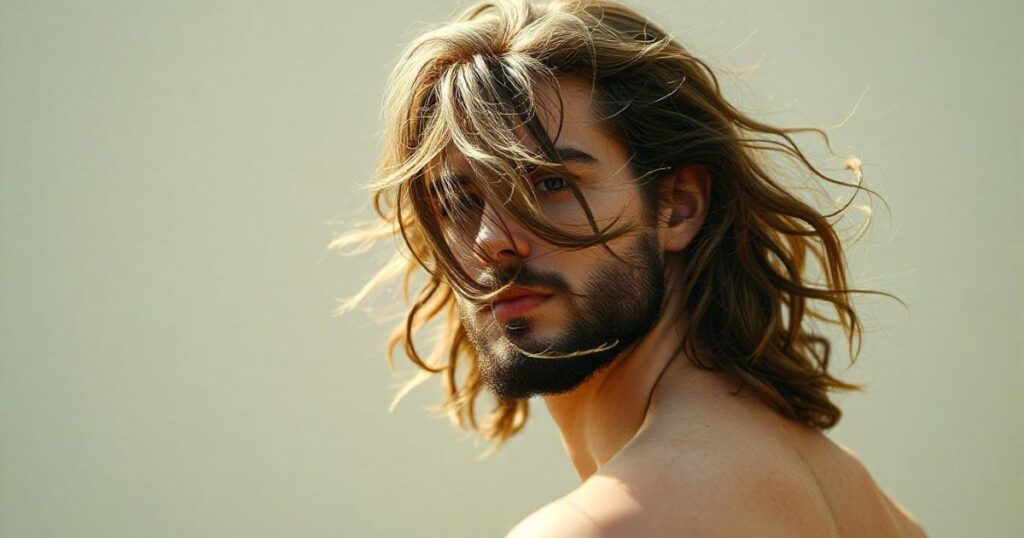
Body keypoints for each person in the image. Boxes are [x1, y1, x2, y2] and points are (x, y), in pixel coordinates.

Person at [335, 0, 926, 535]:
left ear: (678, 205)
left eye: (550, 183)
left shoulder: (596, 530)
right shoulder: (862, 501)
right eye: (459, 201)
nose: (492, 240)